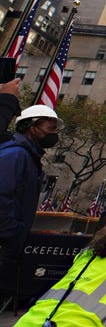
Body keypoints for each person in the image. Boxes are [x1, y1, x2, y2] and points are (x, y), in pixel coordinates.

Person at [0, 105, 62, 272]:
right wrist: (11, 234)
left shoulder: (29, 157)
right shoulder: (15, 155)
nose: (54, 133)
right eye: (50, 128)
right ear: (33, 128)